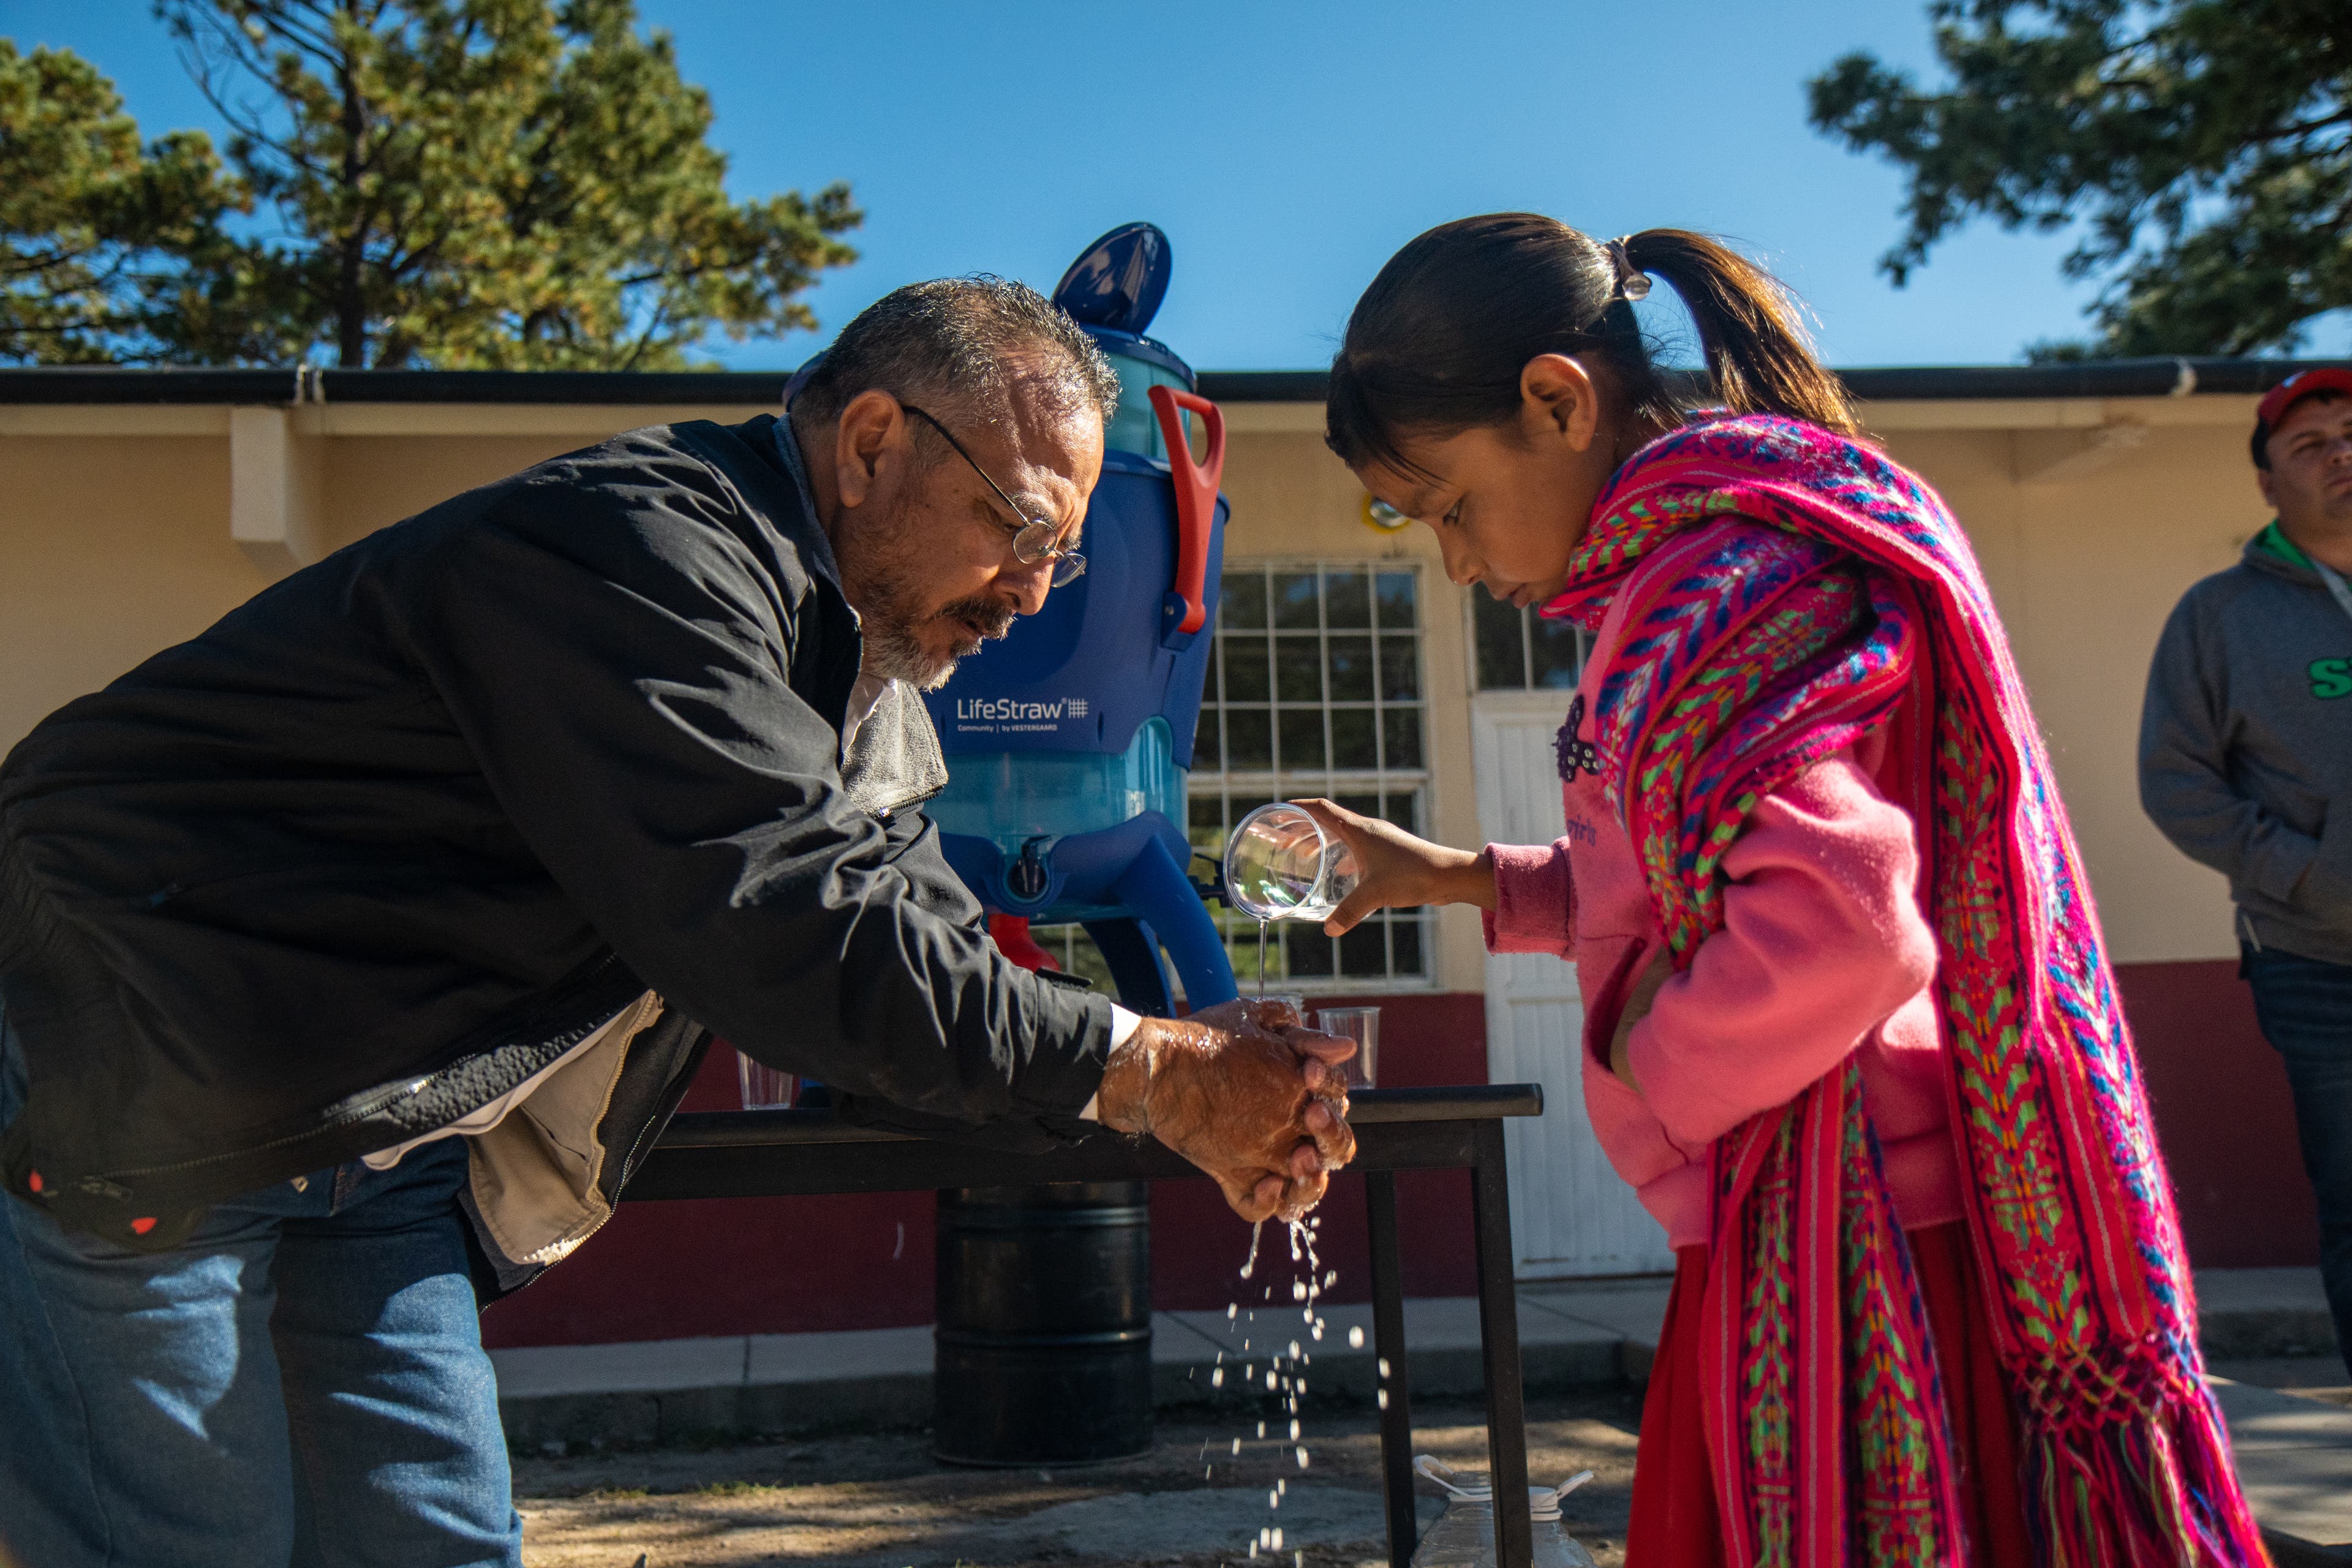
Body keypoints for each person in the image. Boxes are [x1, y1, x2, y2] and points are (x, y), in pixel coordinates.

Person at [0, 277, 1355, 1568]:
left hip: (373, 1137)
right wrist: (1159, 1075)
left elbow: (912, 927)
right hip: (137, 1077)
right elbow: (786, 923)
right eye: (1022, 525)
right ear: (874, 441)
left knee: (439, 1544)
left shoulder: (854, 677)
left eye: (1063, 551)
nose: (1037, 589)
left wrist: (1186, 1049)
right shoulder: (643, 554)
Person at [1295, 214, 2266, 1566]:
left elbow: (1843, 926)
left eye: (1451, 502)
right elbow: (1691, 884)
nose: (1455, 557)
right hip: (1875, 1195)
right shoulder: (1736, 548)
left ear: (1557, 400)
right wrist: (1465, 879)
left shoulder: (1705, 587)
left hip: (1841, 1235)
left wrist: (1650, 1055)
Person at [2141, 366, 2352, 1382]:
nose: (2342, 453)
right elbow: (2178, 784)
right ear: (2269, 484)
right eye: (2311, 444)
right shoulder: (2220, 617)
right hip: (2317, 967)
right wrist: (2311, 876)